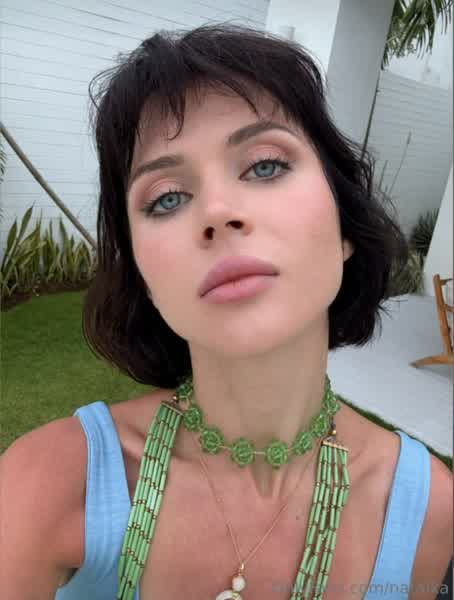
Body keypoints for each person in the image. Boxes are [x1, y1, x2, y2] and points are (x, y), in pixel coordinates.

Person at [1, 23, 452, 600]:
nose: (216, 211)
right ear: (143, 274)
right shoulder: (46, 483)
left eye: (264, 165)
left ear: (344, 224)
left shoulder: (427, 510)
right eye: (167, 198)